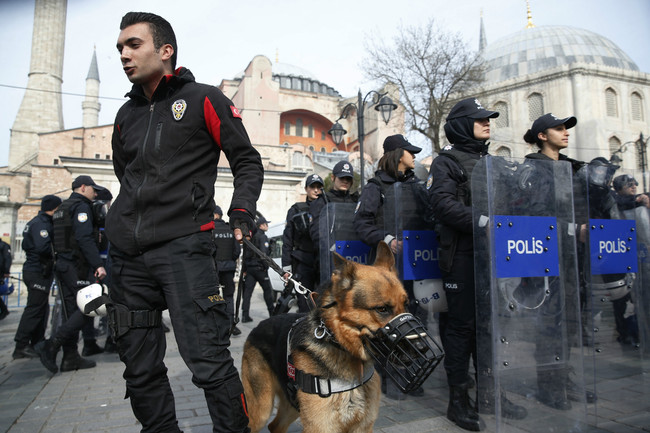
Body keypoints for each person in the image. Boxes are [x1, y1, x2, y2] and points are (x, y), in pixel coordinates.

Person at [105, 12, 262, 433]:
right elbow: (127, 177)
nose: (123, 54)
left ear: (165, 50)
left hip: (185, 250)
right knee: (139, 370)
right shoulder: (125, 115)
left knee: (209, 364)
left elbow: (246, 160)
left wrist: (242, 211)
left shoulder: (203, 99)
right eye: (119, 47)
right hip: (128, 259)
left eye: (133, 44)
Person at [427, 98, 526, 431]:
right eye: (480, 119)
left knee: (488, 328)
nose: (488, 123)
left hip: (493, 257)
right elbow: (442, 204)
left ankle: (489, 393)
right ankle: (458, 400)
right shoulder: (447, 162)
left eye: (489, 119)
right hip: (461, 257)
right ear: (461, 124)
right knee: (461, 328)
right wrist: (484, 221)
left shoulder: (492, 162)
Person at [523, 113, 598, 409]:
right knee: (550, 323)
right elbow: (536, 213)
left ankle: (564, 376)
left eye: (566, 128)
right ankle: (549, 384)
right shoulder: (534, 168)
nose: (565, 132)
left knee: (568, 321)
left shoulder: (572, 168)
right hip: (547, 257)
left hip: (573, 256)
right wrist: (571, 229)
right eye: (558, 128)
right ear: (542, 135)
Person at [354, 134, 424, 400]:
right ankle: (390, 377)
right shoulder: (376, 187)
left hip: (418, 265)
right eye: (410, 151)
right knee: (390, 324)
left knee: (417, 319)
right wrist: (387, 240)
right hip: (389, 270)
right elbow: (362, 224)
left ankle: (414, 373)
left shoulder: (416, 186)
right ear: (397, 154)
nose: (414, 156)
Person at [35, 176, 107, 374]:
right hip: (78, 265)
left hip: (64, 265)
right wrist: (98, 264)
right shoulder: (81, 207)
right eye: (94, 189)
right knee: (91, 306)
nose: (96, 193)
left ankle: (70, 357)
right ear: (83, 187)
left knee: (71, 311)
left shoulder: (61, 208)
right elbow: (84, 238)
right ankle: (53, 344)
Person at [13, 195, 61, 358]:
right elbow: (43, 247)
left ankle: (37, 341)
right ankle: (21, 345)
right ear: (54, 208)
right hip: (37, 271)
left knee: (41, 307)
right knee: (34, 308)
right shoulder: (41, 224)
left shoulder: (39, 221)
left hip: (38, 270)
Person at [309, 160, 359, 282]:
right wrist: (329, 248)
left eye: (348, 178)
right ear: (333, 177)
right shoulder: (322, 201)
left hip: (354, 256)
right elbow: (316, 232)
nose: (345, 181)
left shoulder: (356, 201)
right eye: (342, 178)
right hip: (330, 260)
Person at [281, 173, 323, 313]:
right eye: (313, 187)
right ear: (306, 189)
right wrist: (286, 268)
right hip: (303, 262)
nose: (316, 190)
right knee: (305, 307)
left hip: (322, 263)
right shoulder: (296, 209)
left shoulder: (327, 208)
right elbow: (287, 240)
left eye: (319, 187)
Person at [213, 205, 242, 336]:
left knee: (212, 296)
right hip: (228, 268)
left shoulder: (209, 229)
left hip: (213, 269)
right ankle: (231, 325)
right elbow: (237, 251)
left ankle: (215, 325)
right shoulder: (229, 230)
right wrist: (230, 261)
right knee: (228, 297)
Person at [241, 216, 274, 321]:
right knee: (268, 291)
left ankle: (245, 316)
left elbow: (245, 254)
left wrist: (245, 269)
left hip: (250, 268)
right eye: (266, 224)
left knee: (247, 293)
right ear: (261, 225)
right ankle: (272, 315)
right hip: (260, 268)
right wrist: (266, 266)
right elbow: (263, 254)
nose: (267, 226)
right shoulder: (262, 237)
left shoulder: (251, 237)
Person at [0, 238, 12, 321]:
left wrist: (6, 271)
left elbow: (7, 259)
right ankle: (4, 310)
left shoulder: (4, 246)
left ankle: (4, 310)